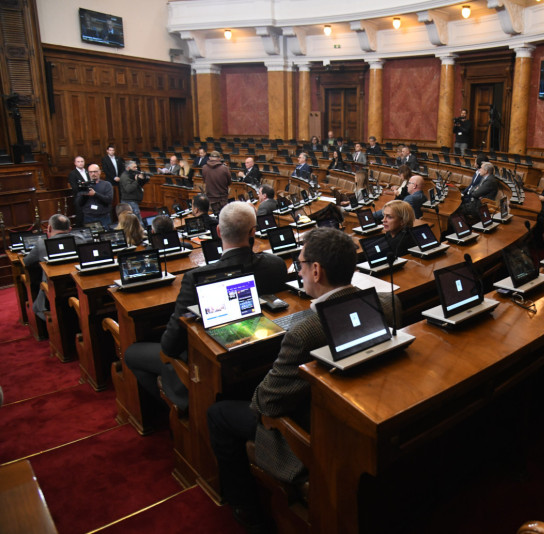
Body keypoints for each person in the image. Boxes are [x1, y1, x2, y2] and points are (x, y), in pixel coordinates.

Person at [206, 227, 399, 528]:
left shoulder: (304, 332)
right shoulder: (389, 303)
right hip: (369, 408)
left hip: (315, 433)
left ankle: (245, 507)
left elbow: (266, 404)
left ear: (317, 270)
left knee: (218, 412)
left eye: (301, 264)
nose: (299, 271)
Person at [124, 202, 288, 414]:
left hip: (211, 364)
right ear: (253, 232)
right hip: (263, 359)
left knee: (131, 353)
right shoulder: (276, 264)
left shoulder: (196, 278)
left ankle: (177, 408)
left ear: (218, 231)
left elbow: (170, 346)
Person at [24, 214, 90, 320]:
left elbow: (26, 262)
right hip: (79, 287)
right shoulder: (81, 240)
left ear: (49, 228)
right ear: (70, 229)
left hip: (53, 291)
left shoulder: (41, 244)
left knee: (36, 306)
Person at [78, 164, 114, 229]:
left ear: (99, 172)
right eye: (91, 172)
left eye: (95, 171)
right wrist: (84, 195)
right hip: (89, 217)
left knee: (106, 234)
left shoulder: (106, 184)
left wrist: (95, 194)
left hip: (103, 217)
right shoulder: (85, 185)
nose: (93, 174)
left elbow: (109, 200)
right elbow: (79, 203)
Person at [202, 150, 232, 215]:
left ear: (210, 158)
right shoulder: (224, 168)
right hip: (222, 199)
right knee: (223, 218)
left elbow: (204, 181)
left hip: (210, 199)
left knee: (212, 218)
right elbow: (229, 182)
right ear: (219, 159)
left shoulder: (204, 168)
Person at [67, 156, 89, 226]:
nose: (80, 163)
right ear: (75, 163)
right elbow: (75, 188)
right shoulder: (73, 173)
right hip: (80, 198)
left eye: (82, 161)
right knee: (81, 218)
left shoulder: (88, 171)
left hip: (90, 197)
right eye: (78, 162)